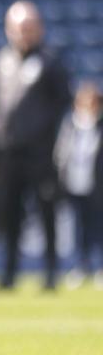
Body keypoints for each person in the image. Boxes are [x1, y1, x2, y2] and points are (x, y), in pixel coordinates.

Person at [0, 0, 72, 290]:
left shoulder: (51, 61)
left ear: (39, 28)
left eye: (29, 27)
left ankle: (51, 272)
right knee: (9, 214)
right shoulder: (3, 60)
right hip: (9, 152)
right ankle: (8, 273)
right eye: (19, 27)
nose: (24, 33)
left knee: (46, 211)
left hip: (41, 152)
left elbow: (63, 104)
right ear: (8, 29)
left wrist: (49, 138)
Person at [54, 82, 102, 287]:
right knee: (78, 227)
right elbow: (61, 152)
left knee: (97, 227)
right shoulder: (70, 125)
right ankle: (81, 265)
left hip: (96, 185)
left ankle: (99, 266)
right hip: (74, 183)